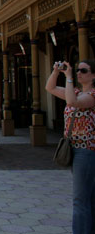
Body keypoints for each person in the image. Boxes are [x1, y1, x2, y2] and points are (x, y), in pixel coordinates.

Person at [45, 59, 95, 233]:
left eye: (83, 70)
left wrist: (68, 77)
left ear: (93, 75)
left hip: (87, 149)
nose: (79, 73)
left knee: (80, 199)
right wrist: (56, 72)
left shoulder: (92, 95)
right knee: (88, 196)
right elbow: (50, 88)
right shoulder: (74, 91)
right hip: (74, 147)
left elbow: (73, 102)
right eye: (78, 70)